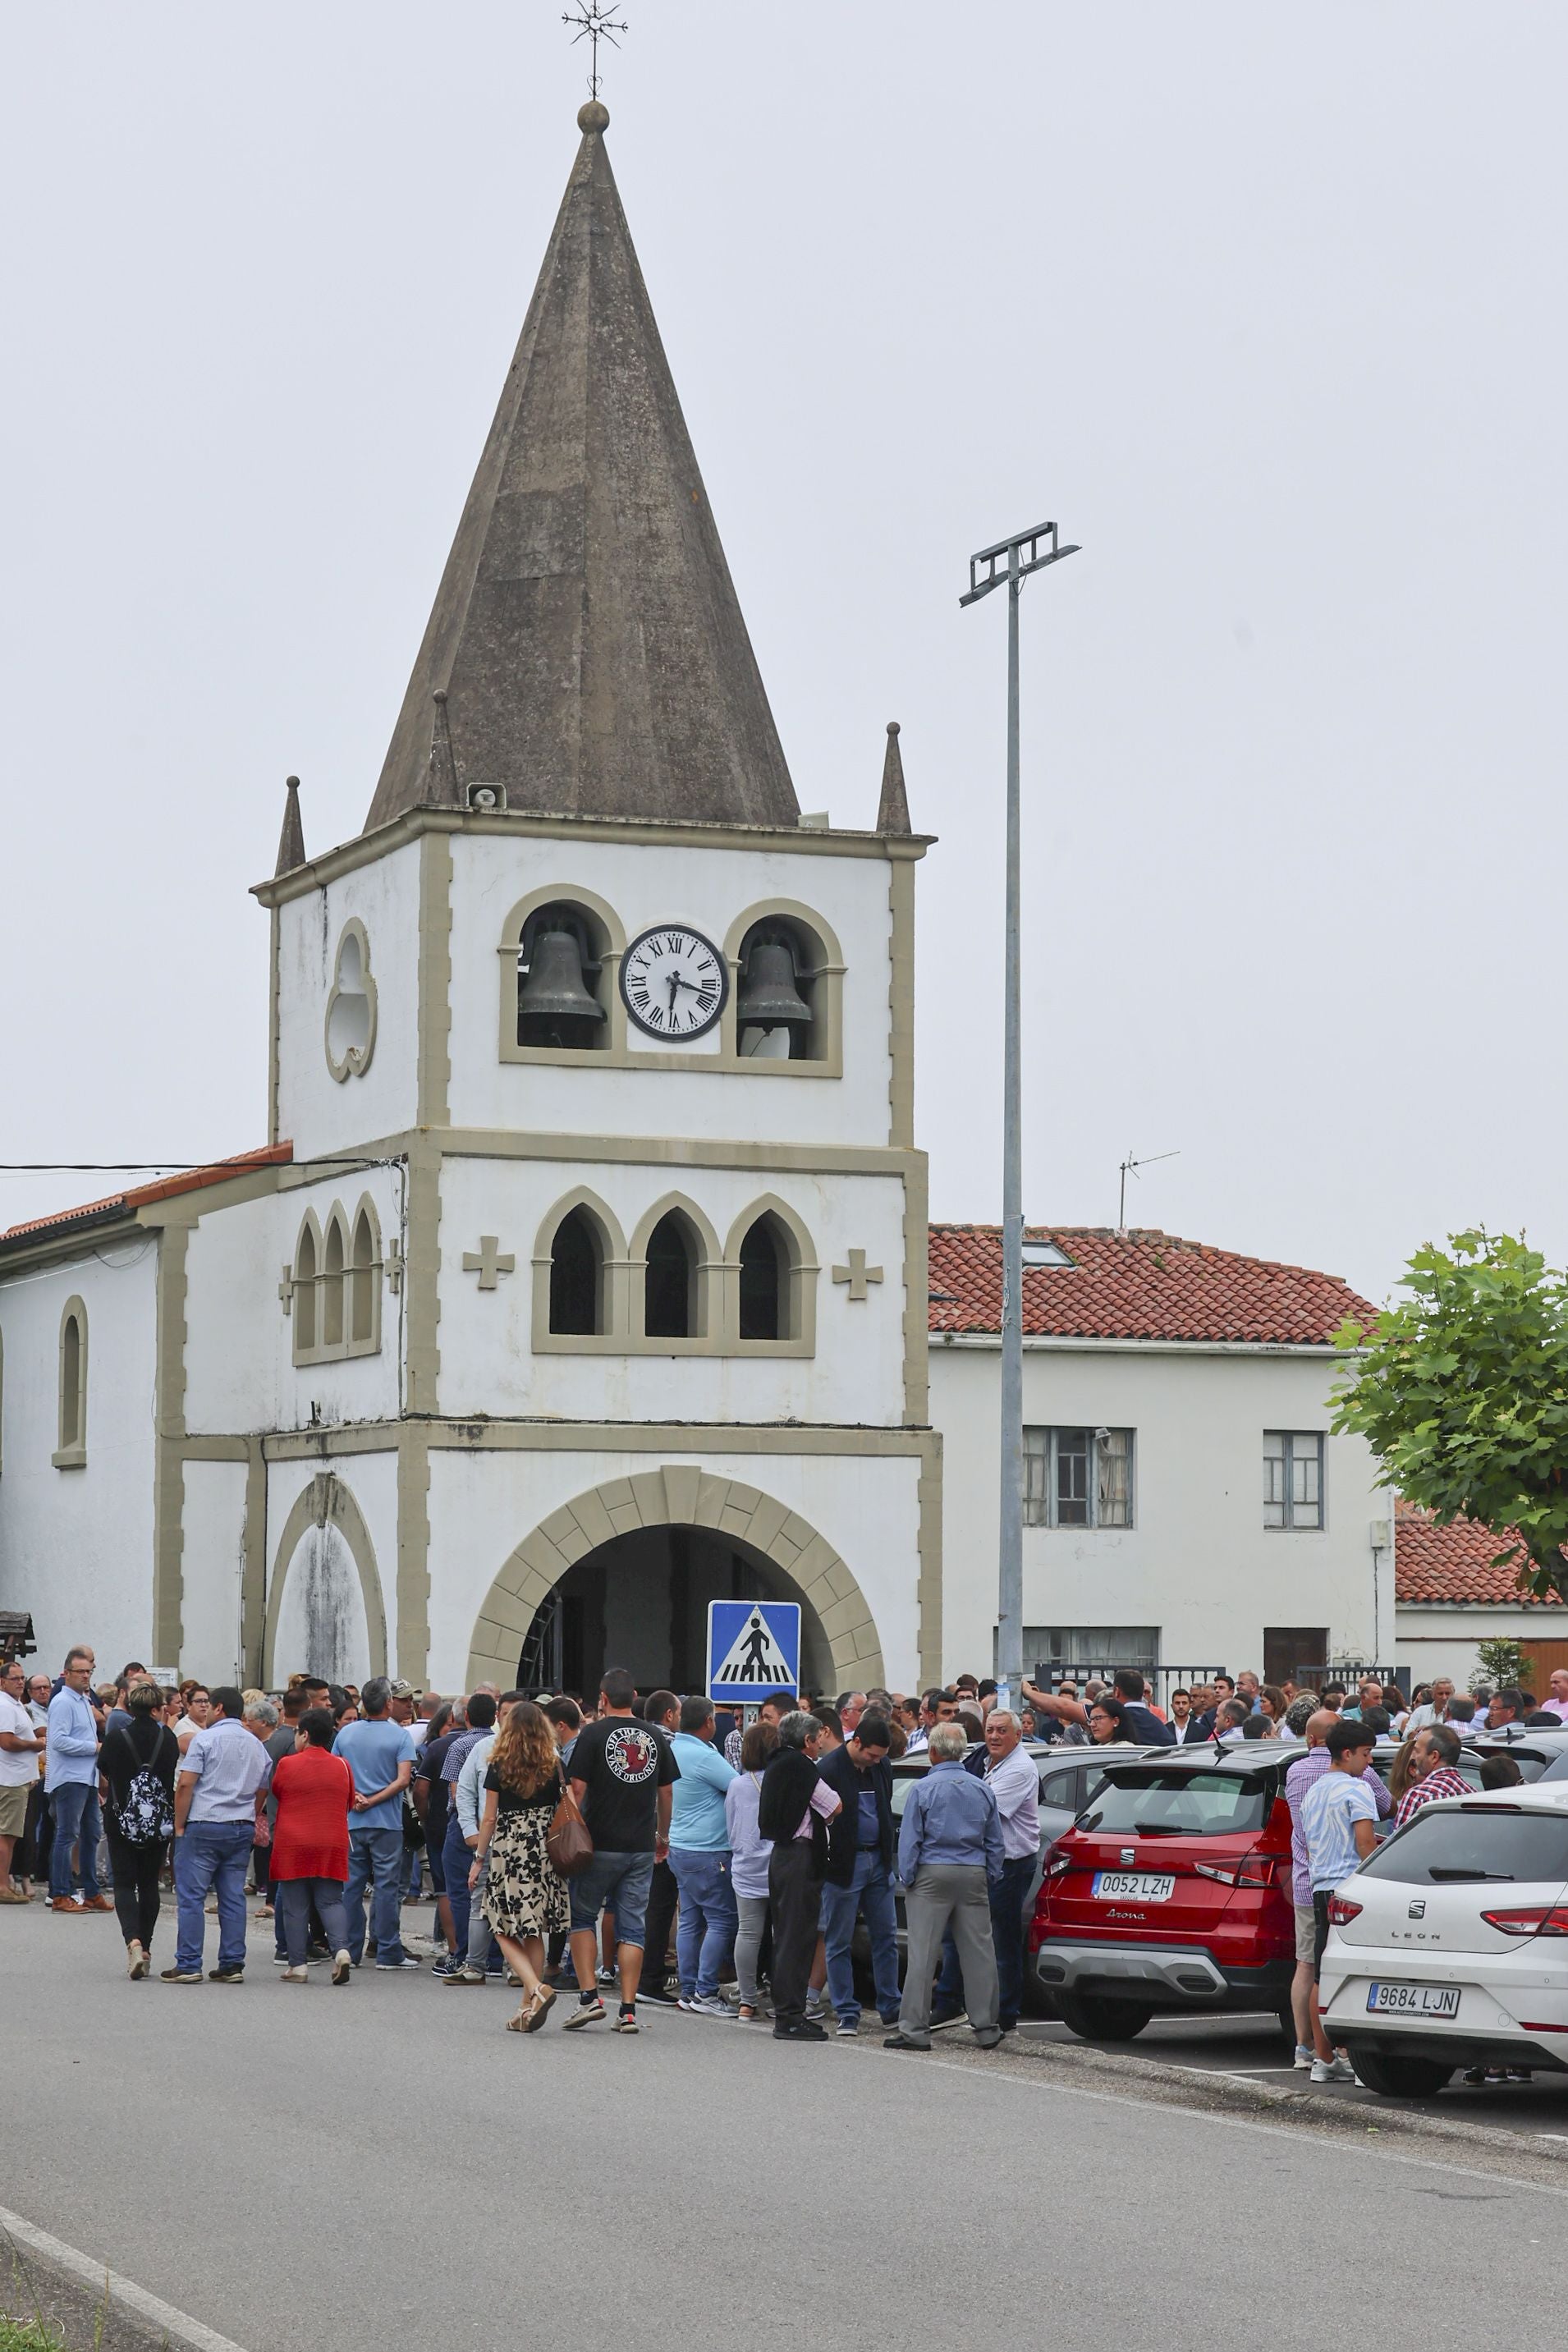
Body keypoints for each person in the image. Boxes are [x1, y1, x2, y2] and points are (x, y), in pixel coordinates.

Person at [563, 1667, 679, 2033]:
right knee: (633, 1928)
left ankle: (589, 1998)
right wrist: (662, 1836)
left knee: (582, 1918)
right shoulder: (655, 1736)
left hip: (597, 1844)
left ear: (602, 1697)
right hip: (640, 1847)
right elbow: (666, 1792)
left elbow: (577, 1789)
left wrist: (572, 1831)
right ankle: (627, 2010)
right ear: (633, 1696)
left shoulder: (592, 1734)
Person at [885, 1721, 1003, 2052]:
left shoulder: (923, 1789)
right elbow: (995, 1841)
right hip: (973, 1872)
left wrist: (907, 1877)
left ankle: (915, 2030)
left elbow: (910, 1841)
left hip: (932, 1873)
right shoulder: (981, 1788)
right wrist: (990, 1873)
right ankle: (986, 2027)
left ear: (933, 1752)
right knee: (979, 1952)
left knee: (922, 1954)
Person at [1284, 1708, 1390, 2071]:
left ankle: (1322, 2057)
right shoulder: (1357, 1787)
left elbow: (1311, 1845)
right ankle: (1354, 2057)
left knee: (1320, 1974)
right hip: (1350, 1889)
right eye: (1366, 1753)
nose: (1369, 1760)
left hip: (1319, 1886)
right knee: (1356, 1973)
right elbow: (1364, 1843)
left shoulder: (1312, 1791)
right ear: (1347, 1754)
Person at [932, 1708, 1041, 2035]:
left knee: (1001, 1942)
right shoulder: (985, 1759)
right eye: (990, 1730)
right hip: (978, 1862)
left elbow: (982, 1810)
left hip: (1009, 1865)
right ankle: (950, 2002)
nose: (994, 1736)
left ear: (1018, 1735)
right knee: (957, 1933)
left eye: (1001, 1731)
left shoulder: (1020, 1768)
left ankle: (1005, 2015)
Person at [164, 1687, 273, 1983]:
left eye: (210, 1706)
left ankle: (188, 1963)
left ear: (219, 1708)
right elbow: (263, 1787)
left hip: (205, 1822)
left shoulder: (205, 1740)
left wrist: (180, 1824)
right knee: (233, 1896)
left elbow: (186, 1784)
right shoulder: (257, 1745)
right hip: (240, 1824)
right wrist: (251, 1811)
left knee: (192, 1897)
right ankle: (232, 1963)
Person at [475, 1699, 568, 2033]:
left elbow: (488, 1818)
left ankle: (536, 1988)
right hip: (545, 1849)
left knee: (501, 1926)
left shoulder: (499, 1764)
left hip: (511, 1848)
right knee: (535, 1927)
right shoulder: (553, 1762)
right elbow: (567, 1804)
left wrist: (479, 1859)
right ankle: (526, 2009)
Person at [756, 1708, 840, 2041]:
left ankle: (788, 2010)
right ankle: (790, 2015)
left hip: (782, 1856)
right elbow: (834, 1806)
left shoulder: (776, 1763)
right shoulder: (800, 1766)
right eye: (817, 1739)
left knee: (787, 1935)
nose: (820, 1745)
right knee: (797, 1936)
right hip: (800, 1857)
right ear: (807, 1740)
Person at [817, 1710, 899, 2038]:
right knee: (838, 1940)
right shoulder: (829, 1769)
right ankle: (846, 2011)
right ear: (857, 1742)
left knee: (886, 1937)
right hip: (843, 1865)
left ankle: (891, 2006)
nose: (875, 1761)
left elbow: (885, 1807)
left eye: (881, 1757)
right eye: (871, 1755)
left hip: (877, 1862)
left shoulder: (882, 1767)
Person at [332, 1676, 419, 1972]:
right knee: (386, 1886)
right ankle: (387, 1950)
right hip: (387, 1820)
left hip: (353, 1818)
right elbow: (403, 1779)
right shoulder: (400, 1737)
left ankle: (350, 1949)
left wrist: (356, 1797)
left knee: (351, 1886)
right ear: (388, 1703)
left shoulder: (346, 1734)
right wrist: (375, 1798)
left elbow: (338, 1772)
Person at [95, 1679, 177, 1974]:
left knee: (125, 1882)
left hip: (121, 1818)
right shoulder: (167, 1738)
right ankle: (149, 1945)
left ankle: (133, 1942)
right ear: (157, 1708)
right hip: (157, 1821)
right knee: (148, 1883)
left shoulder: (117, 1737)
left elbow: (104, 1768)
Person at [269, 1706, 354, 1983]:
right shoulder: (342, 1765)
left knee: (295, 1905)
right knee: (331, 1900)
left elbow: (279, 1792)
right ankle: (341, 1950)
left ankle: (298, 1966)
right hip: (332, 1838)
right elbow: (349, 1801)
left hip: (293, 1841)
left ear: (304, 1735)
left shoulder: (288, 1764)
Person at [667, 1696, 739, 2018]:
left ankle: (689, 1989)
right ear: (708, 1722)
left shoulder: (675, 1749)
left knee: (690, 1921)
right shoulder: (701, 1755)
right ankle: (706, 1992)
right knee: (722, 1921)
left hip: (680, 1846)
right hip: (707, 1850)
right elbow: (738, 1787)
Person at [46, 1648, 110, 1913]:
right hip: (70, 1778)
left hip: (86, 1778)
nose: (86, 1676)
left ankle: (91, 1891)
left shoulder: (83, 1701)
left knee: (92, 1834)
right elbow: (58, 1741)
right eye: (81, 1672)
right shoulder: (62, 1702)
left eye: (89, 1671)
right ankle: (60, 1893)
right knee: (67, 1834)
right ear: (67, 1673)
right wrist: (94, 1748)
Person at [725, 1720, 777, 2022]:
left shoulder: (737, 1784)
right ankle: (783, 1996)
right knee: (783, 1934)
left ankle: (746, 2000)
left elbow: (731, 1824)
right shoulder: (781, 1780)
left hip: (746, 1865)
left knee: (748, 1933)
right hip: (778, 1864)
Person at [637, 1690, 682, 2006]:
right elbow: (665, 1792)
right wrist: (662, 1837)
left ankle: (630, 1972)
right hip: (658, 1836)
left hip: (631, 1832)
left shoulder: (637, 1736)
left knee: (637, 1906)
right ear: (669, 1715)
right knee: (660, 1908)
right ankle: (649, 1977)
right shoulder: (670, 1743)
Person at [0, 1657, 44, 1901]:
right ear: (2, 1682)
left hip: (16, 1778)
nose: (19, 1682)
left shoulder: (14, 1705)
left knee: (10, 1834)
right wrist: (35, 1744)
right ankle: (2, 1886)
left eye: (21, 1678)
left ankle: (5, 1882)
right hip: (10, 1779)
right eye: (14, 1678)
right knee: (6, 1834)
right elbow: (6, 1741)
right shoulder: (5, 1707)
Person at [1393, 1725, 1469, 1829]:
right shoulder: (1472, 1793)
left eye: (1417, 1751)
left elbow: (1400, 1843)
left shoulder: (1417, 1796)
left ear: (1434, 1757)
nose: (1414, 1757)